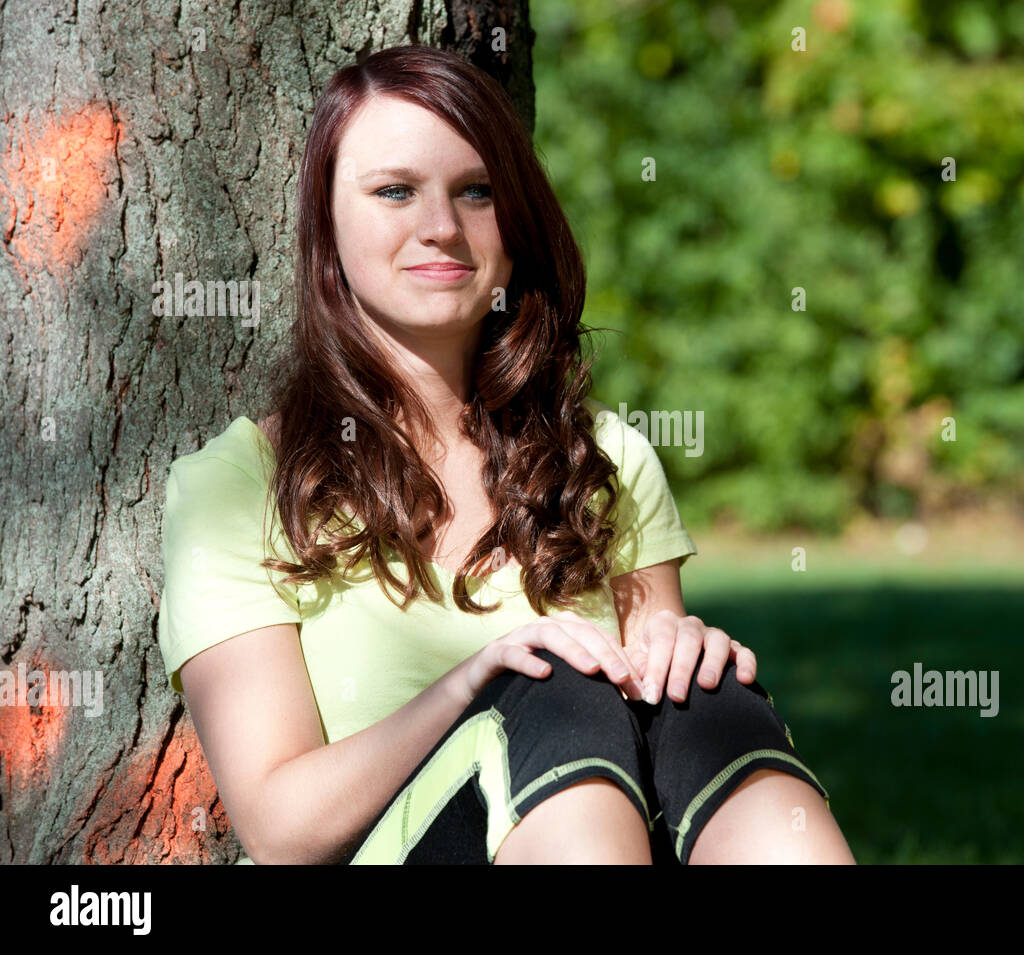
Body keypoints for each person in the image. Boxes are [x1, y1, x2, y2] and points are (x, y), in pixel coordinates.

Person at [157, 44, 855, 865]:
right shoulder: (234, 488)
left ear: (514, 224)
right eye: (394, 192)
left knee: (706, 699)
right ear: (326, 227)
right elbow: (280, 830)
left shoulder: (605, 457)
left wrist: (683, 650)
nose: (442, 227)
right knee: (551, 689)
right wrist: (473, 684)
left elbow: (658, 717)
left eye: (476, 191)